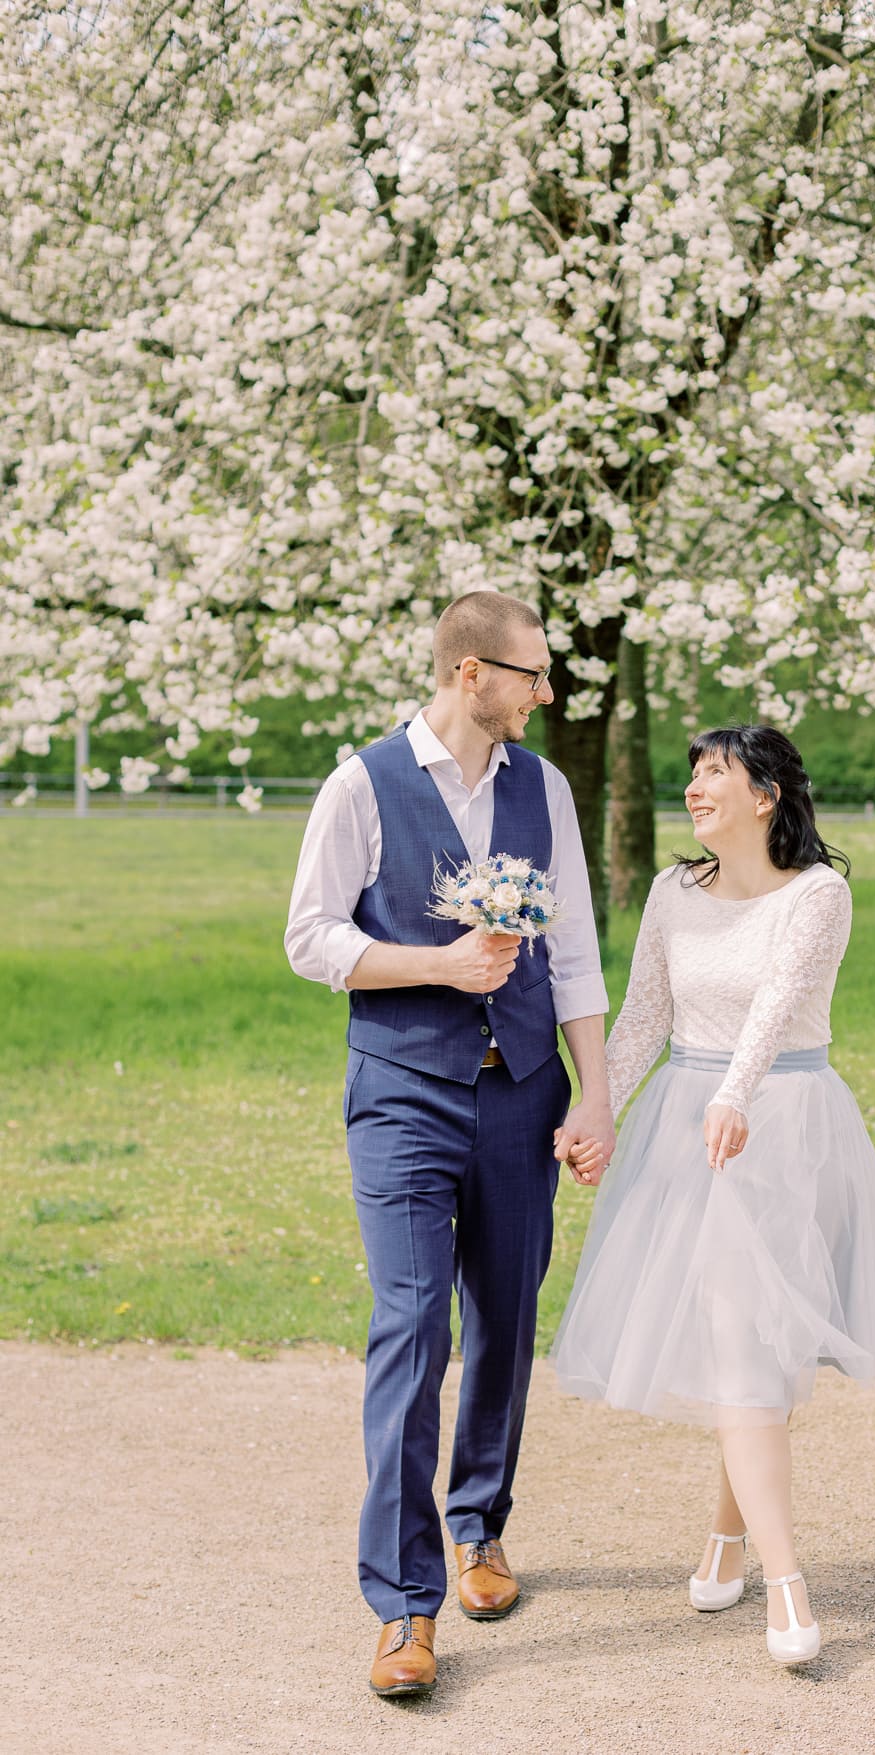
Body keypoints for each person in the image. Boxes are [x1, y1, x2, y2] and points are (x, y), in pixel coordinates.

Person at [285, 590, 614, 1699]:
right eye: (532, 673)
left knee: (508, 1319)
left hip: (524, 1092)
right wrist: (437, 965)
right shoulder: (362, 783)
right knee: (413, 1324)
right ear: (471, 673)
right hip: (405, 1096)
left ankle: (480, 1526)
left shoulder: (545, 786)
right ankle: (404, 1604)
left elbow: (572, 949)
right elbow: (310, 938)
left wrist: (595, 1096)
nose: (547, 692)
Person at [553, 724, 875, 1666]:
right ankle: (766, 1564)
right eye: (691, 773)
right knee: (737, 1337)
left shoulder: (820, 894)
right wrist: (594, 1109)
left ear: (765, 794)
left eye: (715, 771)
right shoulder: (674, 893)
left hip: (785, 1127)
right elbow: (644, 1014)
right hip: (688, 1132)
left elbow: (776, 1005)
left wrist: (734, 1094)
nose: (694, 787)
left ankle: (758, 1559)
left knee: (754, 1341)